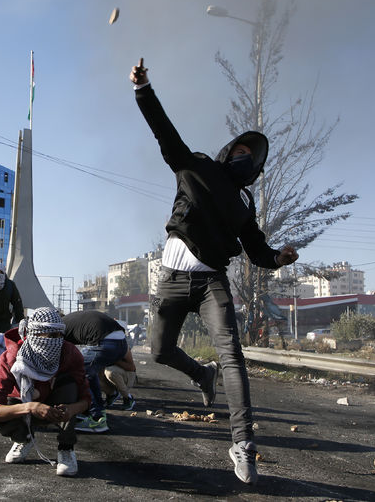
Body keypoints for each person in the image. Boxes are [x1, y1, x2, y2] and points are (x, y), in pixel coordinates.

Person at [131, 58, 299, 485]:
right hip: (170, 279)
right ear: (227, 153)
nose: (244, 159)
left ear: (255, 170)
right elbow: (164, 133)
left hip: (211, 284)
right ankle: (199, 374)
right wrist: (144, 89)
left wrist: (278, 257)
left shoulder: (245, 206)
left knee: (233, 357)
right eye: (240, 151)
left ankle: (243, 444)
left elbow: (257, 250)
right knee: (159, 351)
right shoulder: (197, 166)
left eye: (252, 158)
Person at [0, 307, 91, 477]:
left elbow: (86, 398)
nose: (55, 342)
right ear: (33, 335)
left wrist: (72, 410)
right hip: (24, 408)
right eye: (49, 336)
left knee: (70, 386)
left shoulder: (69, 353)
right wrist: (31, 407)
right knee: (4, 408)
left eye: (58, 336)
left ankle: (66, 448)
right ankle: (24, 438)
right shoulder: (12, 357)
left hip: (56, 407)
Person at [62, 311, 129, 434]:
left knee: (78, 371)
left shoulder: (58, 328)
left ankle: (96, 418)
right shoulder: (71, 319)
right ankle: (101, 406)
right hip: (122, 344)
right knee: (89, 373)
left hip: (106, 343)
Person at [100, 346, 137, 412]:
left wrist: (114, 360)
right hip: (113, 376)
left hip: (128, 376)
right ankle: (112, 394)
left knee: (110, 371)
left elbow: (131, 368)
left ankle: (128, 398)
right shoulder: (101, 345)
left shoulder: (123, 347)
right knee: (93, 373)